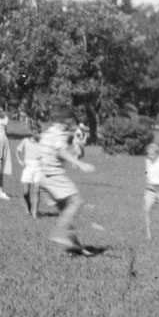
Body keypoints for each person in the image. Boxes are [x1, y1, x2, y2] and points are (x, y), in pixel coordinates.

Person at [39, 103, 96, 253]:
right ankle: (58, 232)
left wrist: (73, 154)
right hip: (54, 175)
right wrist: (79, 163)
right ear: (65, 120)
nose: (70, 125)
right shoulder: (59, 134)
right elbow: (60, 151)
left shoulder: (47, 133)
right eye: (70, 121)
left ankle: (76, 246)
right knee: (77, 202)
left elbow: (52, 151)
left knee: (66, 211)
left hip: (43, 178)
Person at [15, 122, 42, 218]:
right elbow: (17, 151)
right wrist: (19, 160)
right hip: (28, 167)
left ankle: (35, 212)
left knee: (37, 189)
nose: (38, 134)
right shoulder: (25, 141)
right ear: (32, 132)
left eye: (40, 132)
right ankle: (28, 206)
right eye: (36, 132)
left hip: (39, 167)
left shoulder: (42, 142)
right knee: (26, 192)